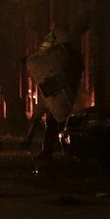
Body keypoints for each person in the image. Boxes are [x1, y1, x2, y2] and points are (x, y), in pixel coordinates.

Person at [30, 28, 84, 161]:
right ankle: (49, 151)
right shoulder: (60, 54)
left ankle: (73, 151)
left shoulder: (68, 55)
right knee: (53, 119)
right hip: (58, 91)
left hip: (66, 92)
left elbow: (70, 73)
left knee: (64, 122)